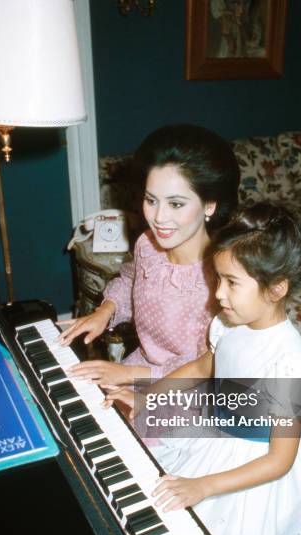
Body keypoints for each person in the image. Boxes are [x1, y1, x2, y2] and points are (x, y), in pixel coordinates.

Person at [107, 203, 301, 535]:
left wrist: (205, 486)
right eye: (217, 279)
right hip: (219, 431)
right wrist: (149, 396)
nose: (218, 294)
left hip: (259, 462)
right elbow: (203, 369)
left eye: (232, 283)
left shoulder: (288, 365)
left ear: (277, 288)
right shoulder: (230, 324)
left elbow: (278, 462)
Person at [58, 124, 240, 386]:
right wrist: (104, 312)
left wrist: (128, 375)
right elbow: (131, 283)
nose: (158, 218)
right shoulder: (148, 244)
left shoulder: (223, 276)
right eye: (151, 200)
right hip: (140, 366)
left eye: (176, 204)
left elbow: (206, 363)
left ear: (209, 205)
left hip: (186, 390)